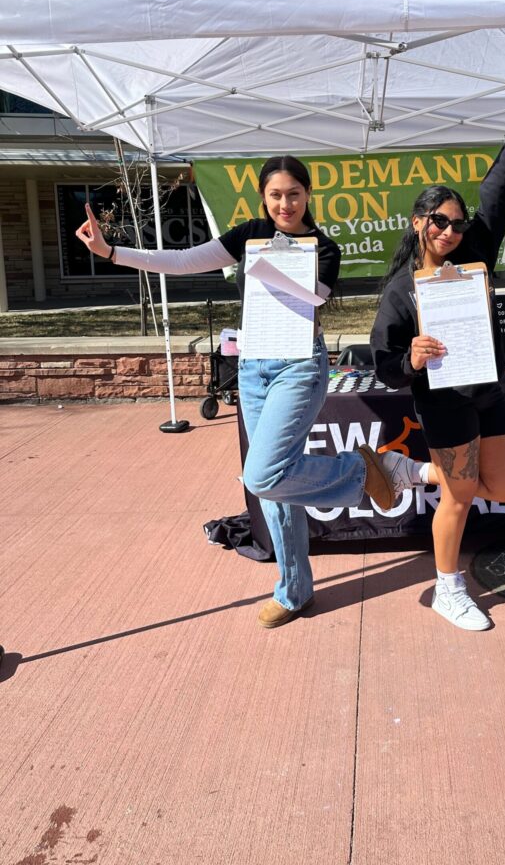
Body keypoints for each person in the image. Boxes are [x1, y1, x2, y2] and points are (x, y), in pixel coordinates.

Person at [75, 155, 422, 629]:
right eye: (276, 194)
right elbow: (184, 260)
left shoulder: (323, 247)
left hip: (299, 364)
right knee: (276, 489)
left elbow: (314, 296)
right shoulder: (249, 234)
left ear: (308, 195)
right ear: (263, 196)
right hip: (253, 367)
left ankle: (367, 470)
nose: (285, 203)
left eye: (294, 193)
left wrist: (273, 260)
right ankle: (295, 591)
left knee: (261, 475)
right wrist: (114, 253)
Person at [370, 56, 505, 632]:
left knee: (504, 486)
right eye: (438, 222)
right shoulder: (402, 291)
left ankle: (406, 470)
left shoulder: (473, 254)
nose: (449, 231)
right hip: (443, 398)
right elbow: (385, 366)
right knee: (461, 495)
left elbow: (502, 185)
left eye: (455, 222)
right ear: (417, 222)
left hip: (486, 389)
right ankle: (447, 590)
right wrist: (411, 359)